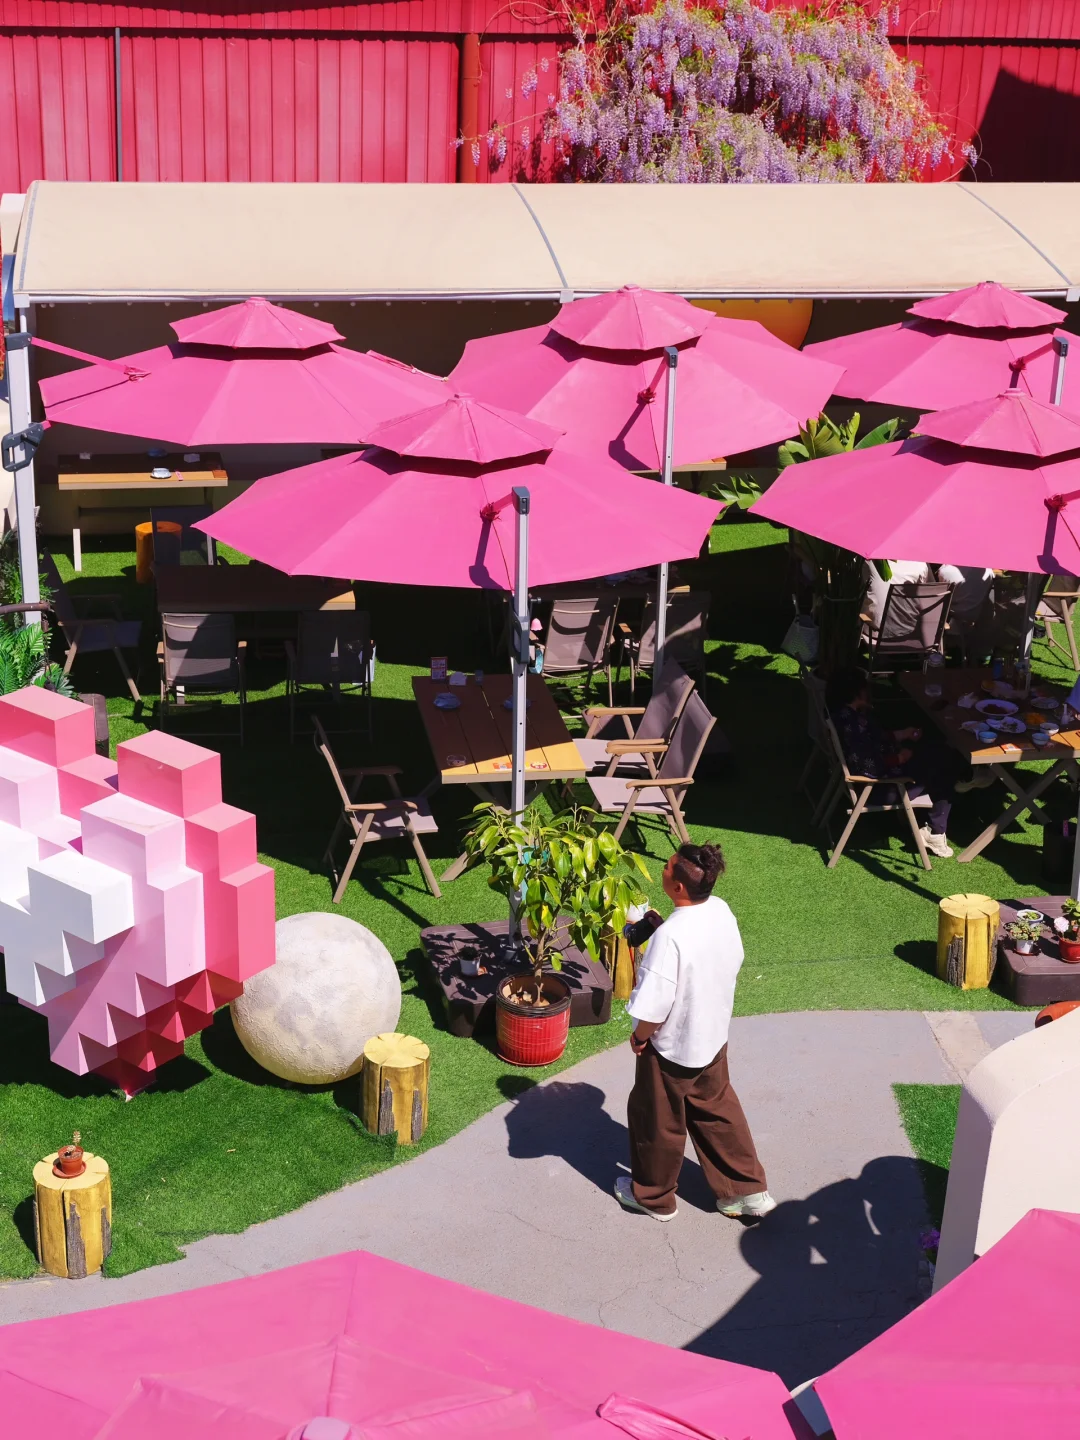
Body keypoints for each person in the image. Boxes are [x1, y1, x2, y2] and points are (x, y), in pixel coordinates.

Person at [614, 843, 775, 1223]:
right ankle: (746, 1192)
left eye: (667, 867)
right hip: (712, 1035)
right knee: (718, 1111)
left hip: (671, 1048)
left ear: (678, 887)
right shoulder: (719, 910)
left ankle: (654, 1198)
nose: (664, 869)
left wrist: (640, 1037)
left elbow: (654, 1006)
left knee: (657, 1120)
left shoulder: (670, 937)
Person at [825, 666, 989, 860]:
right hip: (881, 787)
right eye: (864, 687)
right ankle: (939, 826)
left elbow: (873, 738)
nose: (869, 690)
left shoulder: (845, 715)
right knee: (943, 765)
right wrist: (900, 758)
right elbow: (867, 762)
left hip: (883, 772)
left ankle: (965, 779)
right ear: (856, 693)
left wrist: (901, 734)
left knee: (936, 749)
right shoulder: (851, 724)